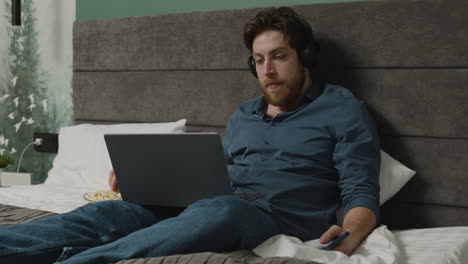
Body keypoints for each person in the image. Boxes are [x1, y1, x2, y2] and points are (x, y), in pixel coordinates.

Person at [0, 7, 380, 264]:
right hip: (206, 203)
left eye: (279, 56)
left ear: (306, 56)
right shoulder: (244, 114)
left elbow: (360, 189)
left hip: (269, 215)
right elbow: (217, 171)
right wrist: (149, 182)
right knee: (109, 212)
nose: (268, 70)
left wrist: (350, 232)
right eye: (259, 60)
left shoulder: (342, 109)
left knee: (221, 211)